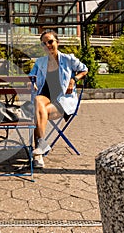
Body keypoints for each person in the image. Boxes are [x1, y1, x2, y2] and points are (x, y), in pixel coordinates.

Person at [29, 31, 88, 168]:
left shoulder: (68, 59)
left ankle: (38, 154)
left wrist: (74, 80)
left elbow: (84, 70)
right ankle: (41, 146)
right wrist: (31, 82)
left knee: (37, 114)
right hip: (45, 97)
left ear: (57, 42)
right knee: (38, 102)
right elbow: (31, 76)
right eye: (44, 43)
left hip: (62, 100)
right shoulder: (40, 62)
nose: (47, 45)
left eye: (50, 42)